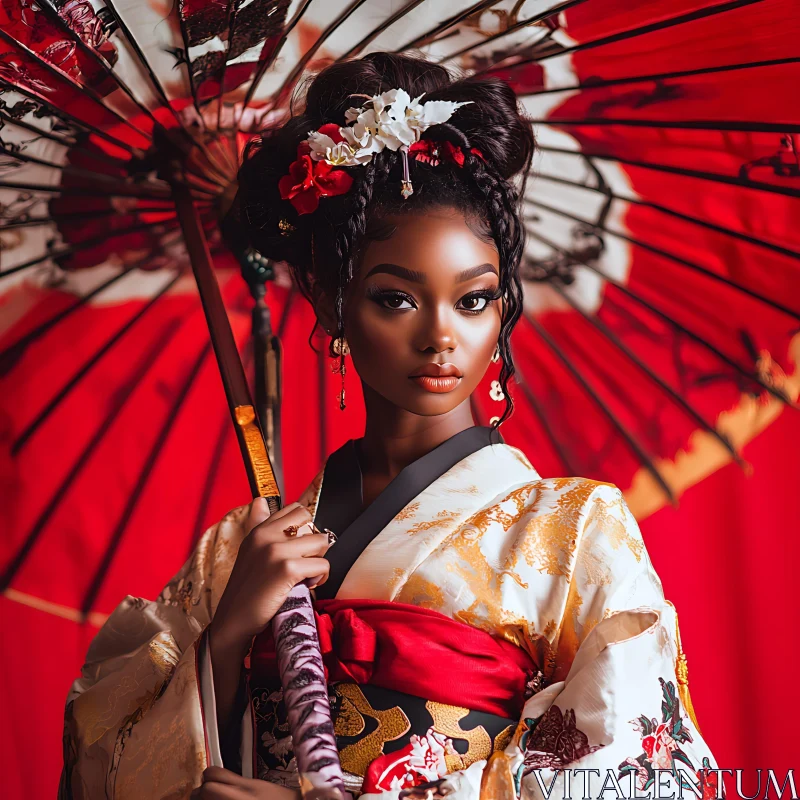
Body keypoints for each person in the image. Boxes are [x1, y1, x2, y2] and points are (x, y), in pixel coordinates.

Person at [60, 53, 717, 800]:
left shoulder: (569, 534)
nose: (442, 337)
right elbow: (99, 769)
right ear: (328, 298)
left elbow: (644, 772)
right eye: (396, 299)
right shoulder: (239, 553)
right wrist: (226, 639)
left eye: (473, 300)